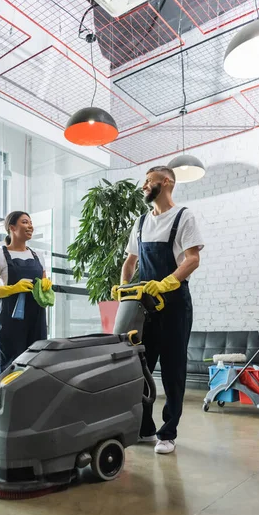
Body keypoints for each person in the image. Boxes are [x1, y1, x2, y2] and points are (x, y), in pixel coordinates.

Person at [112, 166, 204, 455]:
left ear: (165, 182)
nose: (144, 186)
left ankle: (168, 433)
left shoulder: (183, 216)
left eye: (148, 181)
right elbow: (129, 262)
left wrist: (167, 282)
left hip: (175, 304)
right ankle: (145, 428)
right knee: (139, 366)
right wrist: (124, 289)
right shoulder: (140, 222)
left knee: (173, 370)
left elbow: (192, 259)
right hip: (144, 305)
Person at [0, 211, 52, 377]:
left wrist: (47, 287)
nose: (30, 226)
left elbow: (44, 283)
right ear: (12, 228)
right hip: (11, 320)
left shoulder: (38, 255)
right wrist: (9, 289)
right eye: (25, 222)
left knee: (36, 362)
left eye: (31, 222)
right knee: (10, 364)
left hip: (36, 319)